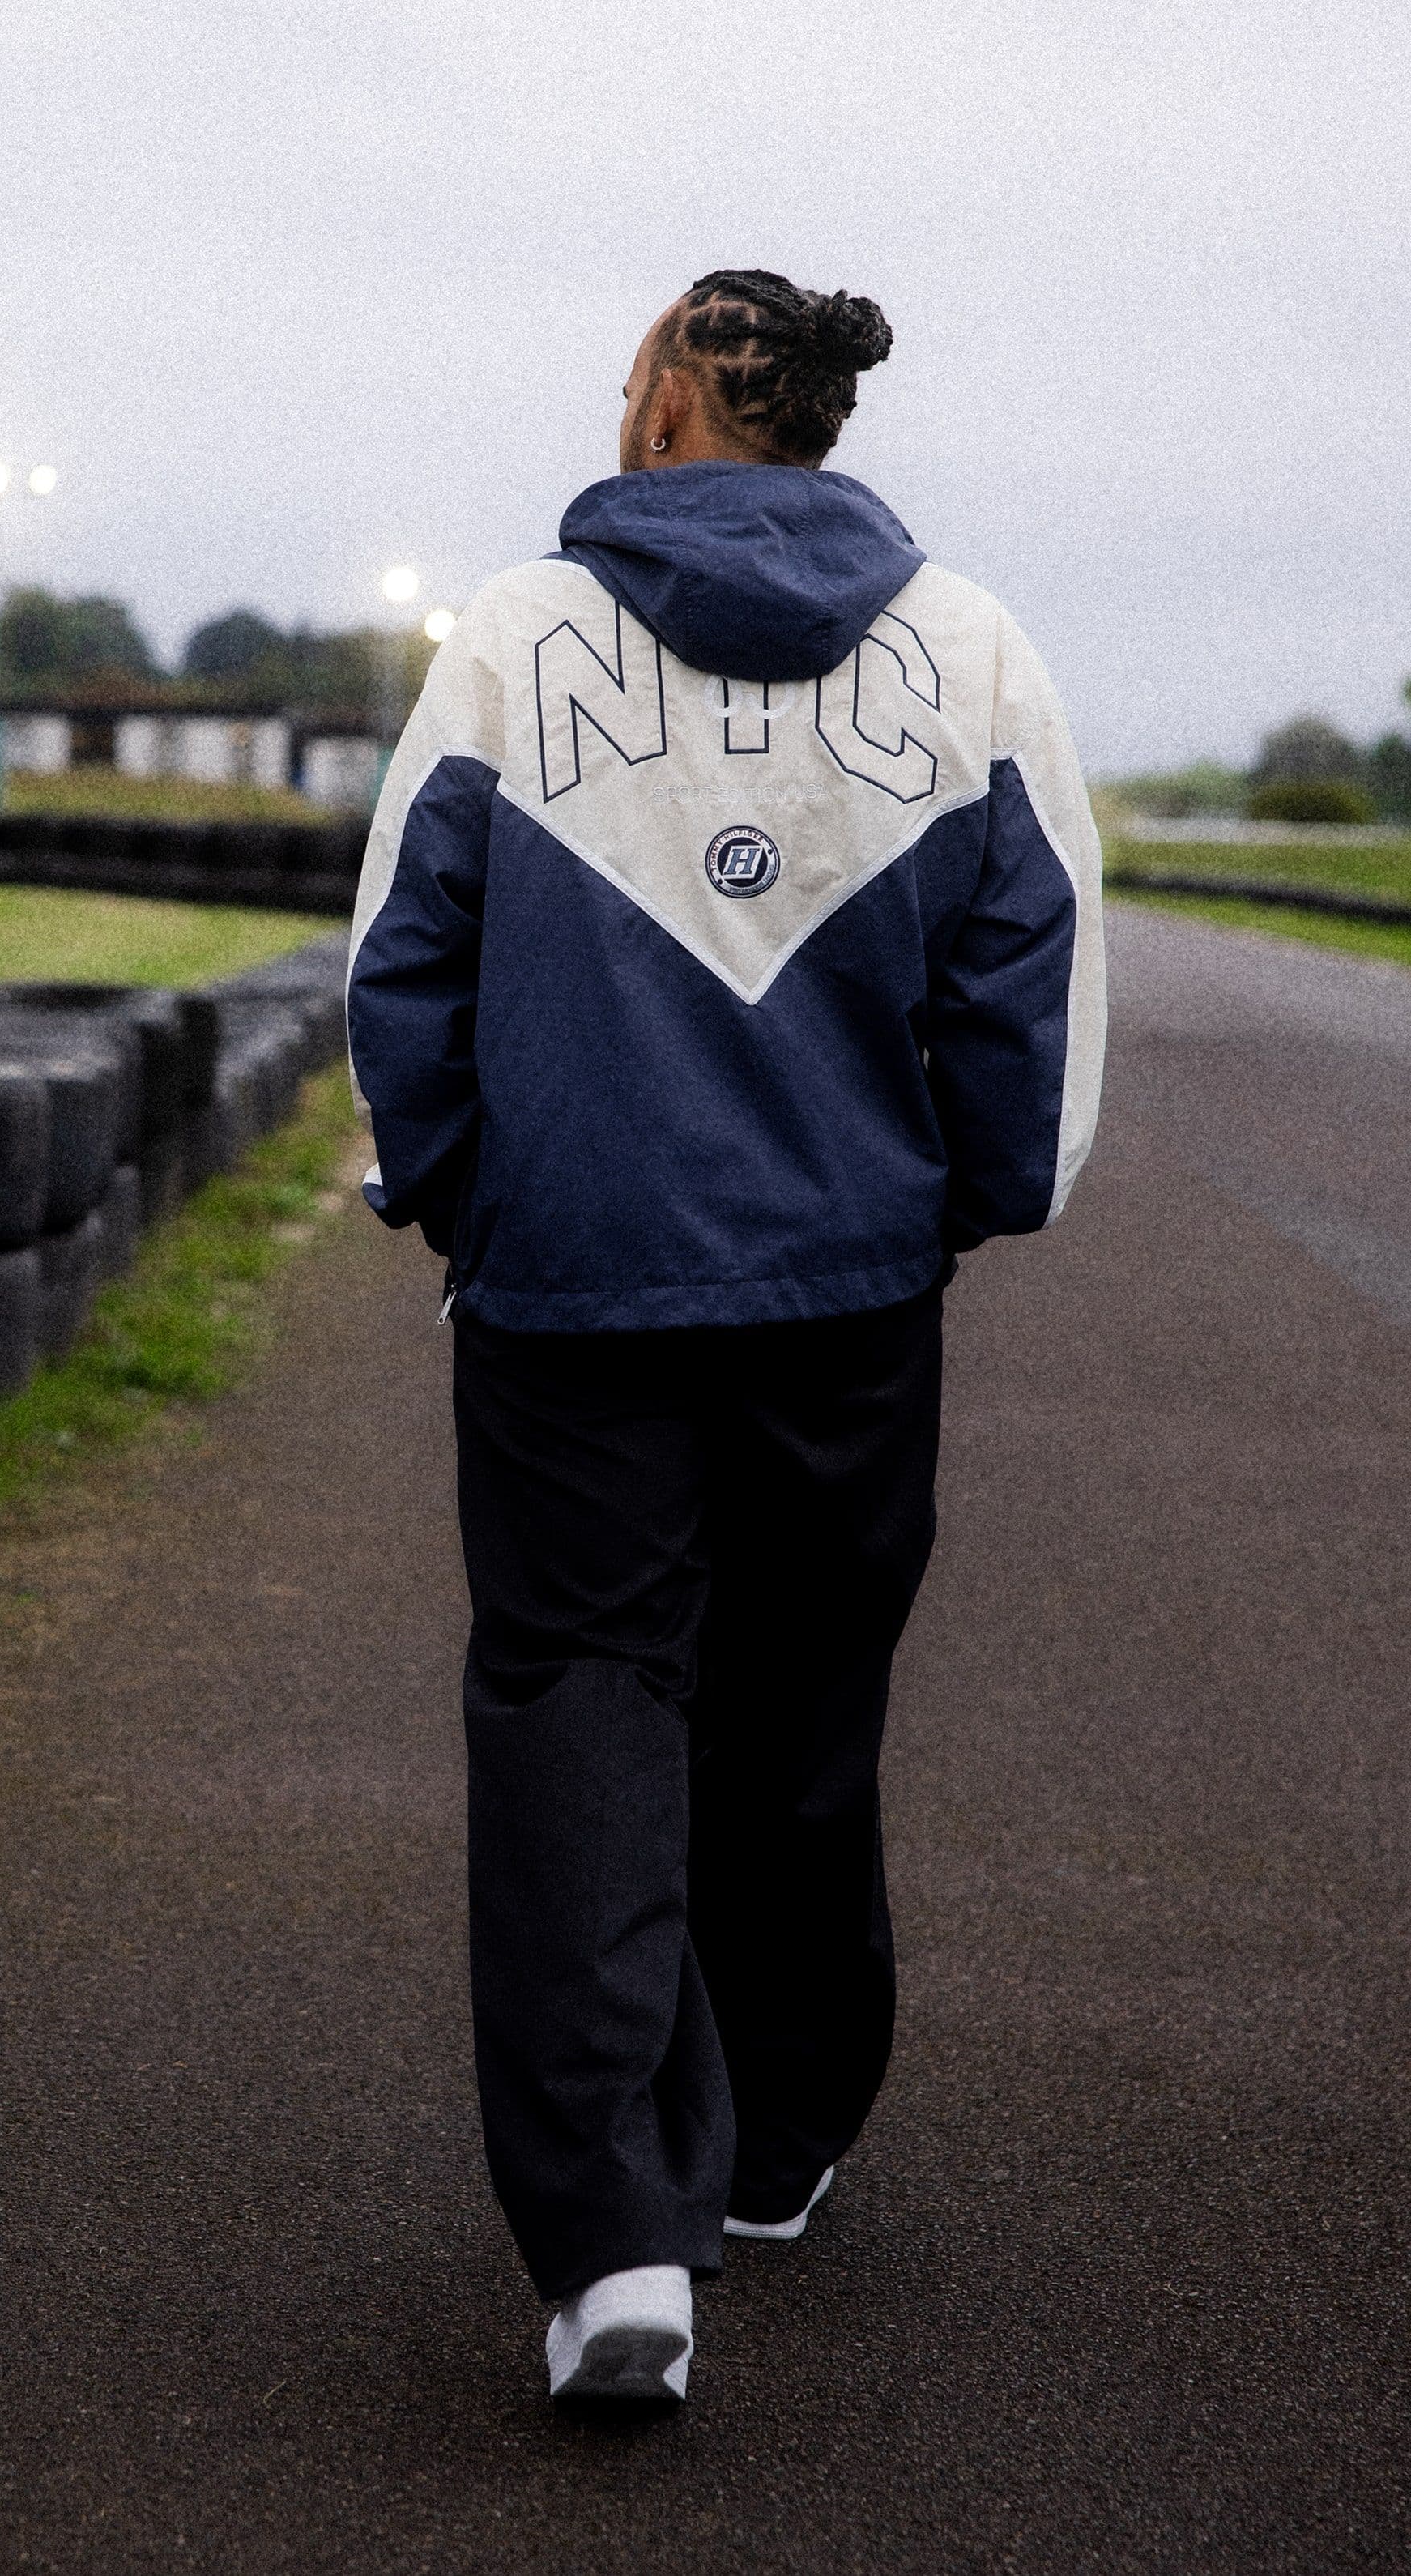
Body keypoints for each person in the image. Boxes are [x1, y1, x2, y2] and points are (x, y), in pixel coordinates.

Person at [346, 268, 1104, 2406]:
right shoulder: (972, 648)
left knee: (587, 1701)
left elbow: (401, 959)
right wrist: (948, 1205)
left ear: (679, 397)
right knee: (797, 1698)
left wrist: (458, 1193)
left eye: (623, 378)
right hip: (851, 1297)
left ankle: (611, 2252)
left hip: (574, 1292)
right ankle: (777, 2138)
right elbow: (1030, 993)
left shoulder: (514, 632)